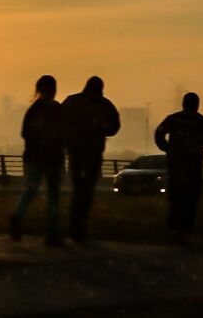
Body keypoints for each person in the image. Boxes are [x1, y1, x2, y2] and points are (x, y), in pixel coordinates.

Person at [62, 76, 121, 243]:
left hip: (75, 152)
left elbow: (60, 122)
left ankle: (73, 225)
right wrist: (99, 129)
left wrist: (68, 140)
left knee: (77, 189)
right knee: (87, 191)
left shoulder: (72, 101)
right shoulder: (105, 105)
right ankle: (81, 226)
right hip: (94, 153)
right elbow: (114, 128)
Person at [10, 75, 66, 245]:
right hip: (53, 158)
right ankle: (51, 233)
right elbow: (63, 133)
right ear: (54, 90)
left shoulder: (33, 110)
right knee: (53, 195)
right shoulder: (57, 109)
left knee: (31, 190)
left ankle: (18, 215)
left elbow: (25, 133)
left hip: (35, 156)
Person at [154, 92, 203, 243]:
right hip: (193, 163)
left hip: (176, 162)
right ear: (197, 104)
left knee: (175, 196)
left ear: (183, 103)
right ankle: (185, 228)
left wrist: (167, 148)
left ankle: (174, 226)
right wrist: (198, 144)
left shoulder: (174, 119)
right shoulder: (201, 121)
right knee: (191, 197)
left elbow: (159, 133)